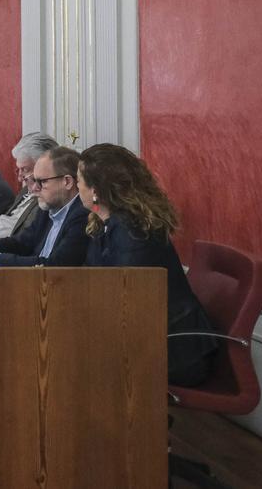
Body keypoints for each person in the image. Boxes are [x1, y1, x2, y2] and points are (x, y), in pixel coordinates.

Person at [78, 143, 218, 386]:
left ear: (96, 190)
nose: (77, 186)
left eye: (79, 180)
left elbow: (127, 298)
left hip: (171, 350)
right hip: (147, 337)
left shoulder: (132, 232)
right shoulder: (108, 222)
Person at [0, 146, 89, 267]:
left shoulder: (82, 216)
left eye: (42, 182)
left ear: (67, 182)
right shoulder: (48, 208)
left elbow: (55, 266)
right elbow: (22, 243)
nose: (34, 188)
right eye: (34, 180)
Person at [0, 133, 58, 239]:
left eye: (25, 170)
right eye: (19, 170)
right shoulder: (26, 189)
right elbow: (9, 219)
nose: (20, 178)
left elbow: (27, 242)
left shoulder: (48, 200)